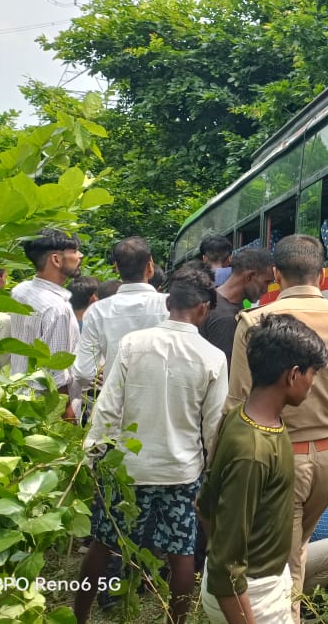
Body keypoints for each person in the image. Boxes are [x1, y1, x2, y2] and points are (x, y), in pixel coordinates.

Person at [225, 234, 328, 618]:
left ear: (276, 274)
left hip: (275, 462)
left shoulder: (255, 322)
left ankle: (285, 610)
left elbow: (236, 406)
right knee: (296, 548)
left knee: (283, 564)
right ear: (323, 275)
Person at [76, 267, 229, 624]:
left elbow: (108, 405)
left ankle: (78, 617)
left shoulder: (133, 344)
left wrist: (93, 455)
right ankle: (175, 621)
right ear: (204, 309)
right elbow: (213, 426)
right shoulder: (211, 357)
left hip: (128, 469)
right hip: (180, 471)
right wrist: (209, 470)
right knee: (180, 553)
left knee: (103, 543)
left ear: (168, 303)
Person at [199, 313, 328, 624]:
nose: (313, 383)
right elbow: (225, 567)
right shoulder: (253, 451)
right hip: (253, 595)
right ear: (294, 375)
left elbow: (204, 506)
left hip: (260, 583)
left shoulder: (245, 417)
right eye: (313, 373)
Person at [71, 237, 169, 418]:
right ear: (150, 266)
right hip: (164, 412)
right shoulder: (170, 306)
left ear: (117, 267)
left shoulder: (97, 311)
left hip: (115, 414)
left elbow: (83, 372)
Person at [8, 229, 83, 421]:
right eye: (74, 251)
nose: (80, 256)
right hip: (45, 411)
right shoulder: (57, 309)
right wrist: (69, 418)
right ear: (56, 260)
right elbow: (57, 377)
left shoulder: (20, 291)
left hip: (17, 398)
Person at [201, 248, 274, 362]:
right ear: (249, 277)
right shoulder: (226, 318)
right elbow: (225, 370)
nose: (267, 290)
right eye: (267, 282)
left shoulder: (214, 299)